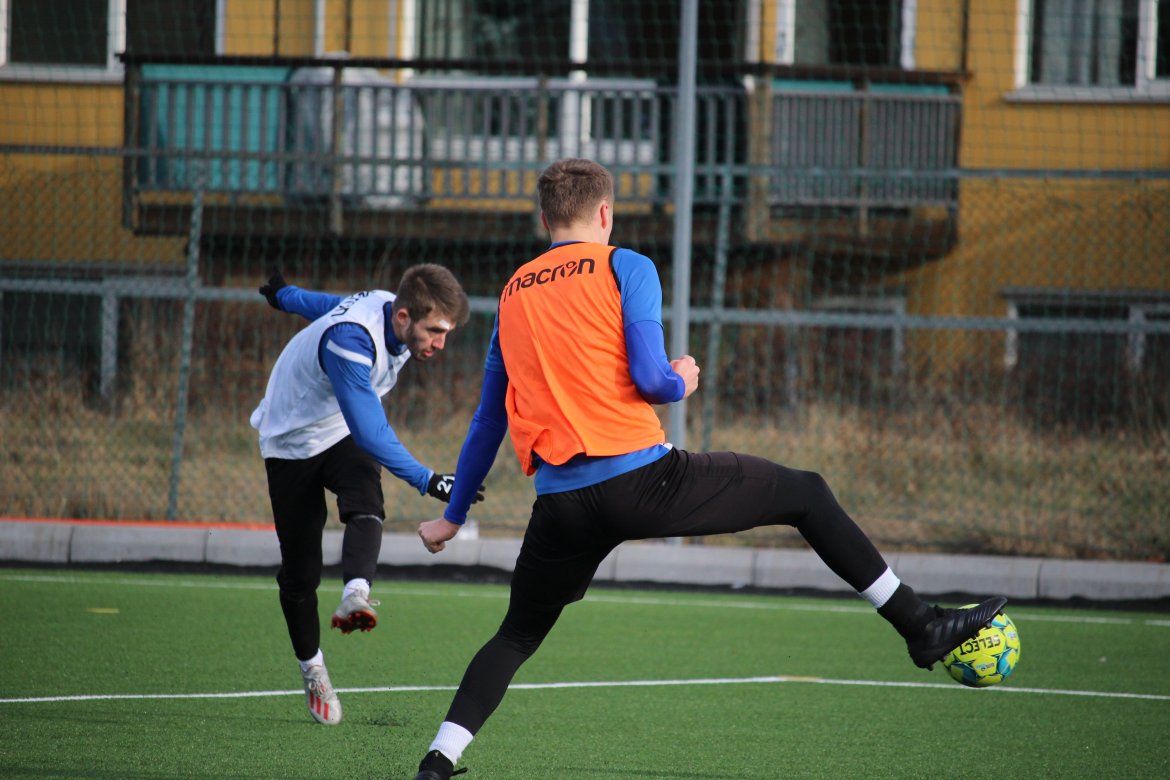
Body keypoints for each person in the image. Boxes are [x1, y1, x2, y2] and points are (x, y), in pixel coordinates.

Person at [409, 159, 1007, 778]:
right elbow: (651, 380)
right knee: (805, 493)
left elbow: (488, 420)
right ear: (606, 213)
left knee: (515, 636)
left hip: (561, 505)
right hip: (643, 484)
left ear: (544, 220)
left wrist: (453, 516)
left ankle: (438, 760)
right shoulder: (625, 265)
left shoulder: (512, 293)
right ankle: (920, 625)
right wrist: (681, 379)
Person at [251, 263, 483, 727]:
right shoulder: (351, 343)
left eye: (446, 333)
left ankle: (356, 594)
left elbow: (327, 304)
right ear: (404, 317)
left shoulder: (385, 304)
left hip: (337, 429)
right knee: (300, 575)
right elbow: (371, 432)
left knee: (365, 499)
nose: (440, 343)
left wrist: (285, 296)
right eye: (435, 331)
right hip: (290, 442)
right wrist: (429, 480)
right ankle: (312, 668)